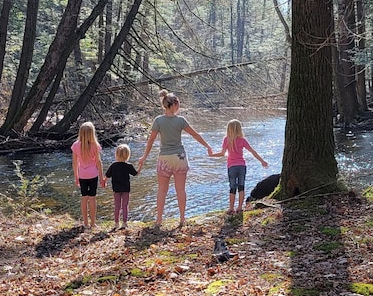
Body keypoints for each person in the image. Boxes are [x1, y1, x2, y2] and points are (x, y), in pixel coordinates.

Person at [136, 89, 213, 229]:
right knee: (180, 190)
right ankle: (182, 219)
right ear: (174, 104)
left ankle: (159, 220)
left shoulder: (158, 121)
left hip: (164, 158)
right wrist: (207, 145)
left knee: (162, 190)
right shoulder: (180, 121)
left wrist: (144, 157)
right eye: (178, 104)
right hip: (179, 158)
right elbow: (195, 135)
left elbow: (151, 140)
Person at [210, 119, 268, 213]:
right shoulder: (242, 140)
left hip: (231, 167)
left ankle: (231, 208)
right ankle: (240, 207)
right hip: (242, 166)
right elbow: (252, 151)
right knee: (241, 187)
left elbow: (222, 153)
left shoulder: (226, 139)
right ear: (240, 129)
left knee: (232, 187)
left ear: (229, 129)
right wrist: (262, 161)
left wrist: (212, 155)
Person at [71, 121, 106, 228]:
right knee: (92, 198)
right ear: (92, 133)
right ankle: (93, 223)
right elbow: (99, 162)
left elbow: (75, 163)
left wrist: (76, 176)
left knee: (84, 197)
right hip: (93, 175)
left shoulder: (76, 145)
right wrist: (101, 177)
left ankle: (85, 222)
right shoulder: (95, 145)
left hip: (82, 175)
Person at [105, 144, 139, 230]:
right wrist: (140, 165)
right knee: (125, 206)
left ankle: (116, 223)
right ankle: (124, 223)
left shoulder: (113, 165)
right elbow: (136, 173)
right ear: (128, 155)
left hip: (116, 189)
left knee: (117, 206)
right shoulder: (128, 166)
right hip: (126, 189)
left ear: (116, 154)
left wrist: (104, 182)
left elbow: (107, 176)